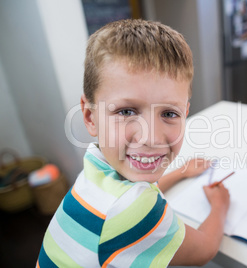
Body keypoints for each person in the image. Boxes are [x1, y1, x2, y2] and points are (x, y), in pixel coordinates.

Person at [36, 19, 230, 267]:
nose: (151, 137)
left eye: (169, 114)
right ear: (89, 116)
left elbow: (133, 189)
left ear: (186, 113)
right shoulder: (134, 210)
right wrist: (220, 205)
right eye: (126, 112)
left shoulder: (97, 166)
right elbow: (204, 249)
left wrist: (181, 172)